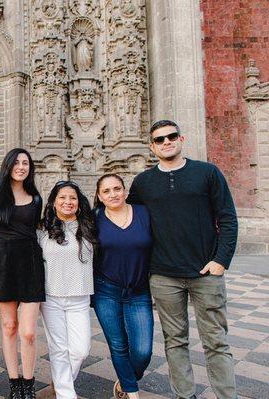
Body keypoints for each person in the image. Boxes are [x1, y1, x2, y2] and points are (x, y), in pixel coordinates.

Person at [128, 120, 239, 399]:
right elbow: (129, 220)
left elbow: (227, 217)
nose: (167, 142)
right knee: (175, 342)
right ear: (152, 147)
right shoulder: (143, 182)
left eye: (171, 136)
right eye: (160, 139)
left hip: (206, 272)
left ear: (181, 138)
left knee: (216, 342)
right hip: (164, 275)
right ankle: (184, 395)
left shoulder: (207, 173)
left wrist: (221, 261)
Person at [0, 148, 44, 399]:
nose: (22, 167)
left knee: (28, 331)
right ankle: (14, 383)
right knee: (9, 326)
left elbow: (37, 229)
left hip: (30, 262)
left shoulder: (36, 198)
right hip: (3, 263)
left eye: (26, 163)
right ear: (8, 165)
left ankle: (29, 383)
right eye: (17, 162)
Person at [92, 174, 153, 399]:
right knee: (118, 346)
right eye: (106, 191)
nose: (113, 194)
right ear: (99, 196)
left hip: (139, 291)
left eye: (117, 189)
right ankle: (130, 391)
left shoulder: (144, 214)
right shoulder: (94, 217)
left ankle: (127, 379)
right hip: (106, 290)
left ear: (125, 191)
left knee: (143, 350)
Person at [37, 181, 96, 399]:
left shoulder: (89, 226)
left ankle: (61, 381)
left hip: (80, 296)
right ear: (53, 202)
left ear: (79, 203)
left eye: (72, 198)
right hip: (51, 296)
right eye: (62, 197)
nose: (67, 202)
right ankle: (65, 394)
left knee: (81, 349)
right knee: (59, 348)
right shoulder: (42, 230)